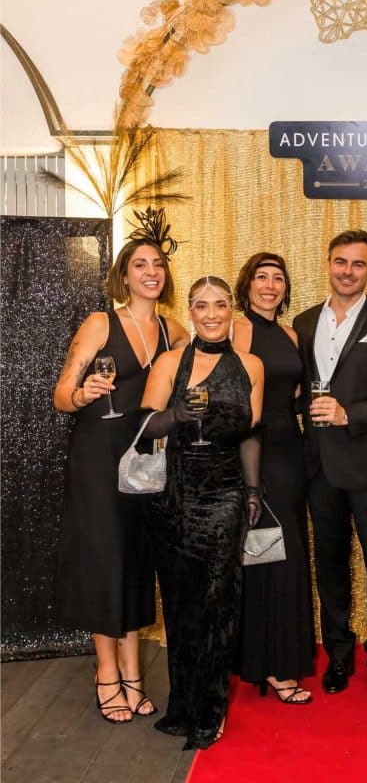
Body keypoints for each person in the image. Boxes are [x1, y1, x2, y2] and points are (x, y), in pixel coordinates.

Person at [54, 214, 188, 723]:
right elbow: (60, 395)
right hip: (97, 456)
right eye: (140, 265)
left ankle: (133, 673)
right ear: (124, 275)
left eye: (157, 265)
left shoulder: (173, 331)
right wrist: (83, 393)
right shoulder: (100, 323)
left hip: (146, 459)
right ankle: (107, 672)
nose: (151, 272)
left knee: (136, 560)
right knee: (105, 560)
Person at [140, 275, 264, 748]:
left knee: (217, 600)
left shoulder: (250, 365)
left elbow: (251, 432)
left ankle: (211, 710)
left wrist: (252, 491)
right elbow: (144, 425)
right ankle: (184, 707)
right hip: (174, 495)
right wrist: (177, 416)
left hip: (226, 493)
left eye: (219, 305)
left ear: (231, 309)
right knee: (180, 602)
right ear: (190, 312)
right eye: (201, 306)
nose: (211, 314)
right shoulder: (171, 362)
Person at [293, 230, 367, 701]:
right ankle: (338, 653)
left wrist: (350, 414)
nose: (348, 271)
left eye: (358, 264)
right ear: (328, 264)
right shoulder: (302, 322)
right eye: (341, 262)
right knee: (330, 565)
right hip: (318, 466)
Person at [232, 252, 315, 704]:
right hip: (252, 449)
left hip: (289, 450)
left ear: (285, 288)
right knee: (259, 551)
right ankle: (263, 662)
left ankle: (277, 659)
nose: (269, 285)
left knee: (286, 549)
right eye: (261, 277)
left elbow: (297, 393)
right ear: (247, 285)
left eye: (277, 278)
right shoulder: (238, 328)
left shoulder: (290, 334)